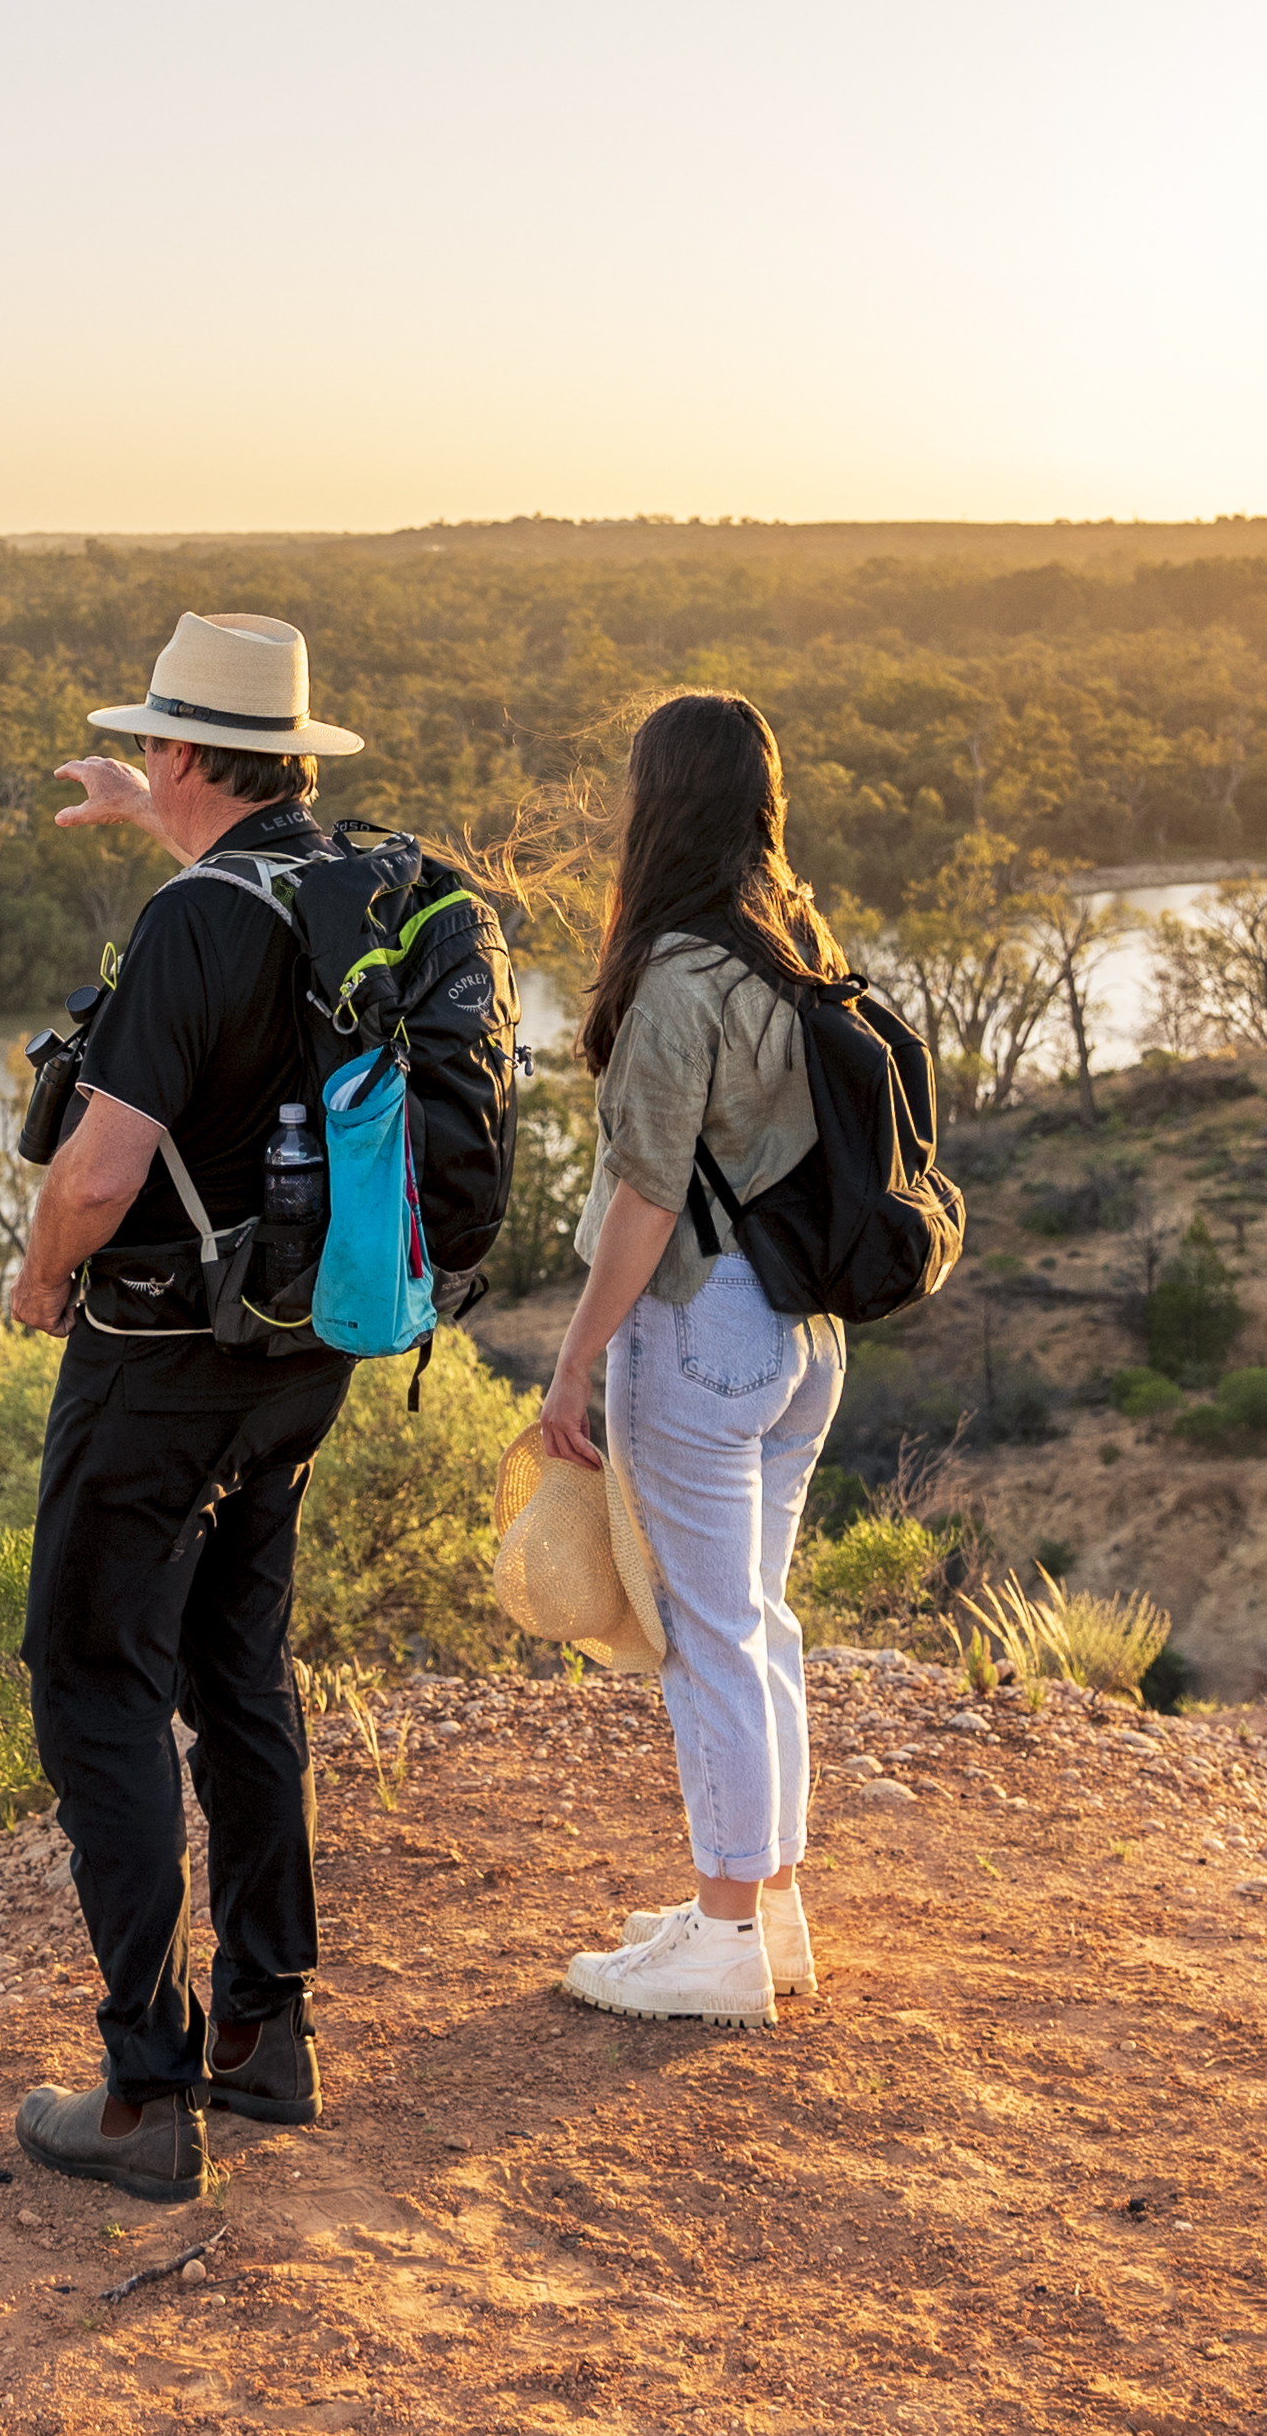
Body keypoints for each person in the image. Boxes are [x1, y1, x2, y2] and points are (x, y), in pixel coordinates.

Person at [0, 610, 365, 2198]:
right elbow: (247, 900)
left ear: (174, 748)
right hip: (299, 1357)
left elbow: (96, 1169)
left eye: (157, 746)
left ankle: (146, 2094)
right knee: (237, 1660)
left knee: (94, 1674)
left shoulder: (184, 928)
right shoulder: (342, 892)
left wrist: (31, 1283)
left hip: (156, 1362)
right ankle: (265, 2032)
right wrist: (161, 809)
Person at [533, 689, 849, 2026]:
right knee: (755, 1623)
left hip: (704, 1328)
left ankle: (723, 1943)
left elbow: (647, 1197)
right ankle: (762, 1911)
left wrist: (573, 1358)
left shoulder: (676, 974)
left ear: (658, 804)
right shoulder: (795, 938)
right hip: (802, 1331)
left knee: (708, 1637)